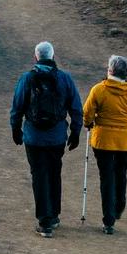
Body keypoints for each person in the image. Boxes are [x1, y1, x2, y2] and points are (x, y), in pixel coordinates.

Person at [10, 41, 80, 237]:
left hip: (33, 137)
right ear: (53, 56)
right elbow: (76, 108)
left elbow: (17, 107)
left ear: (36, 57)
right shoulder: (64, 79)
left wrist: (16, 130)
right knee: (54, 172)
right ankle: (54, 215)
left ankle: (45, 221)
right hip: (57, 137)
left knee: (39, 176)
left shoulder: (26, 79)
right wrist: (75, 132)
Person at [82, 54, 127, 234]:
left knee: (107, 178)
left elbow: (87, 113)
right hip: (124, 143)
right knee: (120, 173)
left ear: (110, 71)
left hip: (102, 140)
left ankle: (108, 221)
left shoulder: (98, 90)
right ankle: (119, 206)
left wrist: (88, 123)